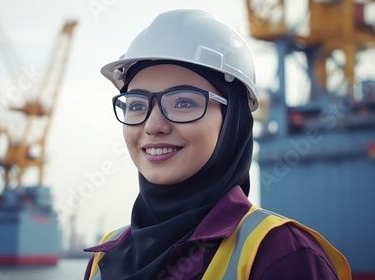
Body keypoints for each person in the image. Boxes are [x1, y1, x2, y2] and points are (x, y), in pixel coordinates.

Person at [83, 9, 351, 280]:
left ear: (232, 121)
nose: (153, 125)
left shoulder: (282, 254)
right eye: (137, 105)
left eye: (184, 102)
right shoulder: (104, 257)